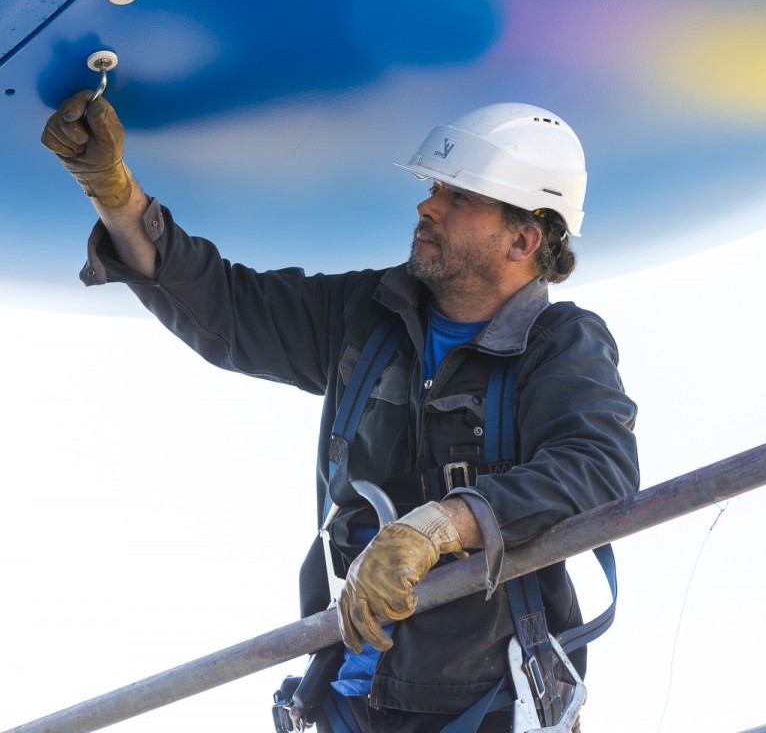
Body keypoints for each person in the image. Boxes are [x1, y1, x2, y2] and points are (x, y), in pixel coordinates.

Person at [41, 92, 640, 732]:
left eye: (460, 197)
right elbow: (226, 307)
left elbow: (598, 471)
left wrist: (443, 524)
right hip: (347, 698)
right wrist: (114, 194)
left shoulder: (560, 344)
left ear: (523, 238)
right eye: (435, 187)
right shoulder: (369, 315)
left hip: (484, 706)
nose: (428, 206)